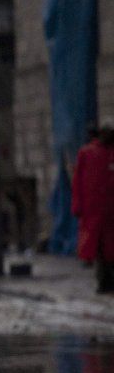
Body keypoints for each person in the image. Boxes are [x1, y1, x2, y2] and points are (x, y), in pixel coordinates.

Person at [71, 119, 114, 293]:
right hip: (94, 211)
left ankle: (108, 281)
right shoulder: (87, 153)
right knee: (99, 250)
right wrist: (77, 205)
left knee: (110, 249)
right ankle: (103, 282)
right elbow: (77, 182)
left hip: (110, 211)